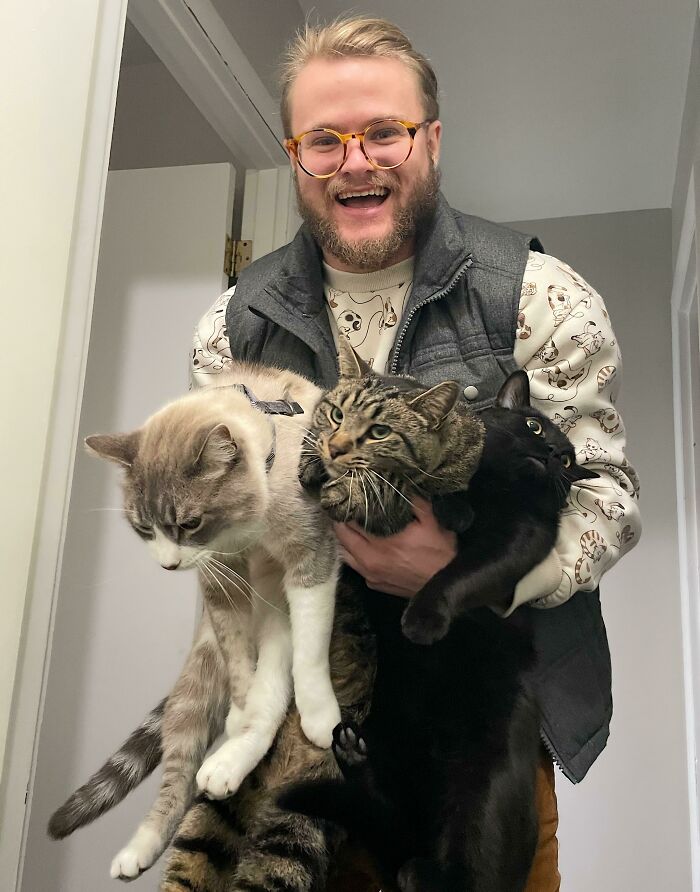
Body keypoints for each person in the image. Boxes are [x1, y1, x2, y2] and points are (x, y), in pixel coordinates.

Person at [191, 16, 641, 891]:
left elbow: (608, 503)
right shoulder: (228, 327)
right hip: (318, 743)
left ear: (429, 140)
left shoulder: (540, 296)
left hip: (486, 743)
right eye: (325, 140)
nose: (355, 161)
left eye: (383, 133)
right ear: (295, 154)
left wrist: (465, 572)